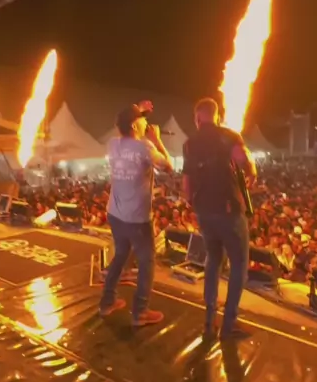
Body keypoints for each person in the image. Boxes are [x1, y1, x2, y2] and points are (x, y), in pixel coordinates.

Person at [182, 98, 256, 338]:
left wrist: (194, 204)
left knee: (213, 260)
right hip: (229, 211)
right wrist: (252, 170)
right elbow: (243, 160)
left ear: (197, 118)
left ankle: (209, 319)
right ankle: (229, 323)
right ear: (216, 115)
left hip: (205, 212)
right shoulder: (228, 136)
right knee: (239, 265)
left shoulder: (189, 144)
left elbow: (186, 184)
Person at [98, 102, 173, 325]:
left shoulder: (113, 144)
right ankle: (140, 311)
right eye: (142, 119)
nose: (146, 122)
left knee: (121, 254)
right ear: (134, 125)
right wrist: (157, 139)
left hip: (115, 213)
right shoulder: (145, 147)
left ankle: (107, 303)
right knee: (147, 261)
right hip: (137, 218)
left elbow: (126, 123)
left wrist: (138, 111)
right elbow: (168, 166)